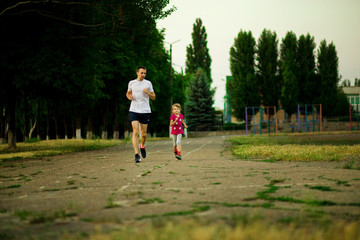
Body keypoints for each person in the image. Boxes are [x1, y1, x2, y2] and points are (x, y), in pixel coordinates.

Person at [126, 66, 156, 163]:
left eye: (145, 73)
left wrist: (147, 92)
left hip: (145, 110)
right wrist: (129, 97)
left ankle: (142, 146)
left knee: (143, 134)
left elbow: (153, 97)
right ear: (137, 73)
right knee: (135, 132)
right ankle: (136, 154)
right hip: (134, 110)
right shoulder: (131, 83)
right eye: (142, 73)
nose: (143, 75)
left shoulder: (148, 83)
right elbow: (128, 93)